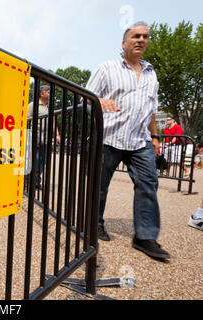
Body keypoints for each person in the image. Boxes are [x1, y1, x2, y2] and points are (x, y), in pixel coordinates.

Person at [86, 21, 170, 260]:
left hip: (139, 140)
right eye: (136, 36)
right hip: (109, 137)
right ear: (124, 43)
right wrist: (99, 102)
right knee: (99, 186)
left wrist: (155, 136)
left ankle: (145, 237)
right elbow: (85, 99)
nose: (141, 40)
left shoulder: (151, 73)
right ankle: (95, 224)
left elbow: (150, 110)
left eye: (145, 36)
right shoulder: (107, 68)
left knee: (148, 185)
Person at [26, 85, 60, 189]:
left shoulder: (48, 108)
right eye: (49, 92)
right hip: (34, 137)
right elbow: (26, 120)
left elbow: (53, 122)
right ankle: (28, 182)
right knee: (33, 160)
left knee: (42, 161)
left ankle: (35, 181)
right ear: (42, 94)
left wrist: (57, 135)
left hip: (45, 139)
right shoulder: (33, 105)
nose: (50, 95)